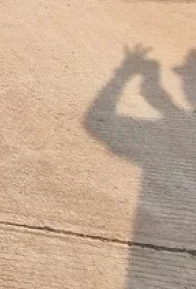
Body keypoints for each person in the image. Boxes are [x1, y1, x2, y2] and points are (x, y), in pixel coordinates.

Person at [84, 46, 196, 288]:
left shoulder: (168, 130)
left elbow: (96, 121)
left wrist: (124, 75)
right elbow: (168, 109)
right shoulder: (178, 124)